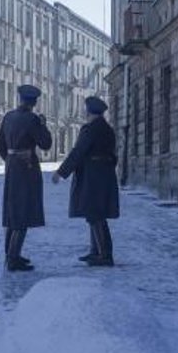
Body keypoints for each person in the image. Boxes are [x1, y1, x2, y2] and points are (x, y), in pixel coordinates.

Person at [52, 95, 119, 267]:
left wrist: (61, 172)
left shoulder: (89, 129)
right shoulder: (108, 129)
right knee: (97, 214)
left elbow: (78, 152)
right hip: (104, 175)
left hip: (92, 177)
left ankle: (104, 255)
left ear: (89, 111)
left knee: (94, 215)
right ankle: (96, 251)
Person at [0, 84, 52, 272]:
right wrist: (43, 125)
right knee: (23, 211)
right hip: (27, 168)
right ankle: (13, 259)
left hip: (12, 168)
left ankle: (10, 255)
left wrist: (11, 160)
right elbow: (45, 144)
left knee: (12, 210)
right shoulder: (32, 119)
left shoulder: (8, 117)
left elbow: (0, 147)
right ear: (34, 102)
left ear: (20, 99)